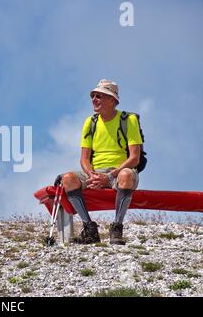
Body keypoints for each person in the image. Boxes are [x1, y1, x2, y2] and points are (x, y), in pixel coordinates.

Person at [61, 79, 143, 245]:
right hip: (96, 172)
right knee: (68, 178)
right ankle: (89, 229)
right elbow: (84, 158)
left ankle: (117, 228)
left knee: (127, 175)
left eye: (99, 96)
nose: (94, 99)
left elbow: (135, 157)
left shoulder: (129, 120)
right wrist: (91, 175)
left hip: (119, 172)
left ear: (112, 100)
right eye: (93, 96)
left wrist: (110, 175)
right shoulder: (90, 122)